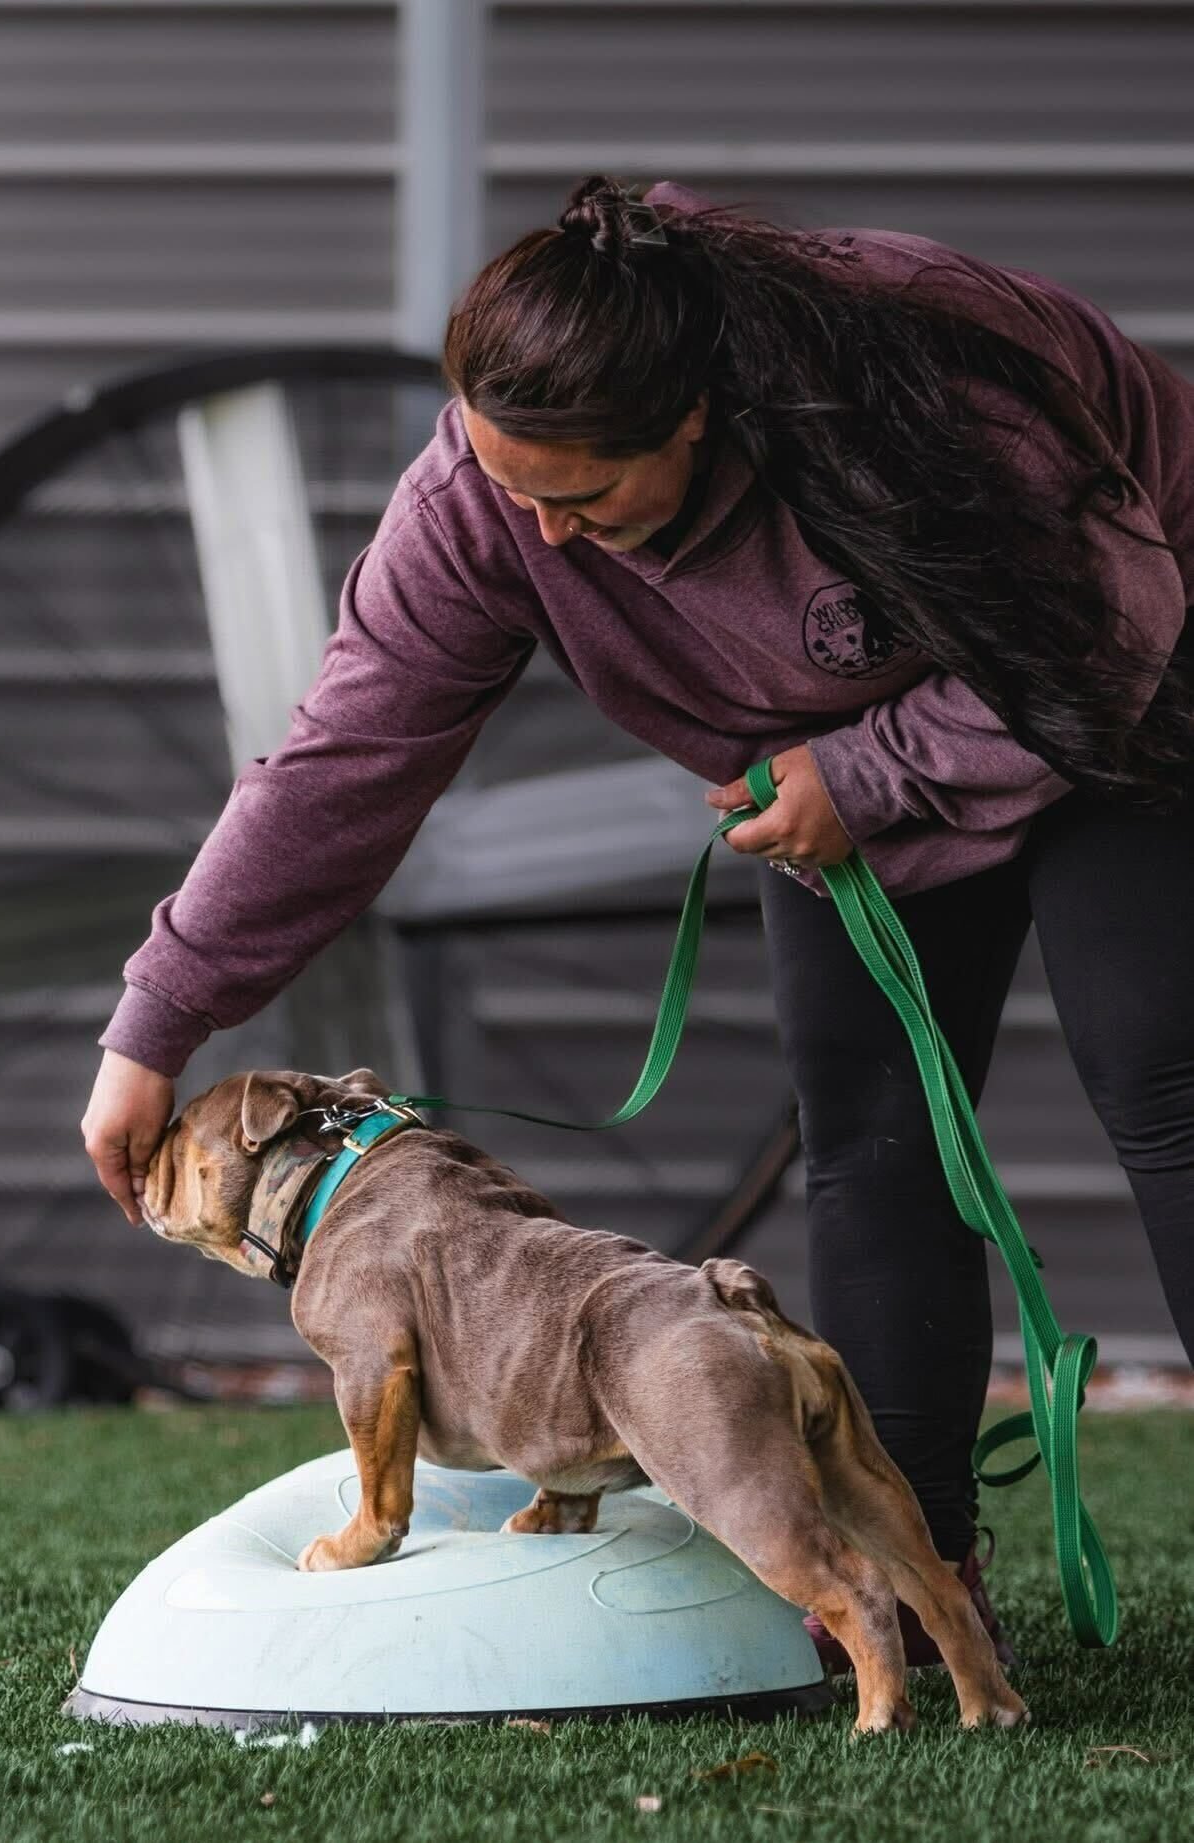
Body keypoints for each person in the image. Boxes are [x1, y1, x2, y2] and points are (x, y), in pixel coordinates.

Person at [82, 175, 1194, 1670]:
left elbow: (1106, 615)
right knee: (866, 1135)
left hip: (1123, 666)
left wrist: (864, 771)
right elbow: (338, 766)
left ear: (692, 419)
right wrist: (157, 1021)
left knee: (1161, 1078)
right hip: (833, 760)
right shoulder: (488, 505)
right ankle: (916, 1579)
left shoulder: (917, 378)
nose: (538, 531)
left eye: (582, 500)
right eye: (508, 487)